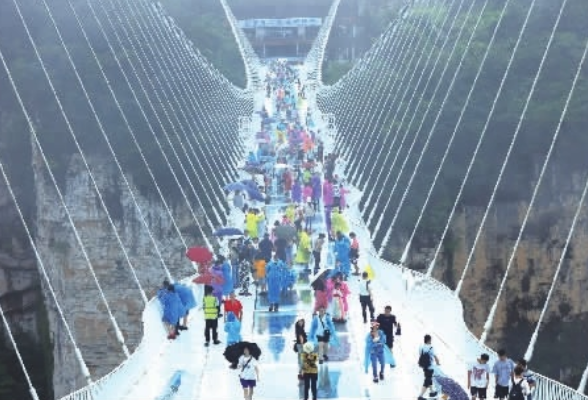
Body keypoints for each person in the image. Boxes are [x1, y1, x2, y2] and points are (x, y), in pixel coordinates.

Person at [418, 334, 440, 400]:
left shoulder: (421, 347)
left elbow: (420, 355)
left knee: (429, 378)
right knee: (427, 380)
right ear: (429, 340)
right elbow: (435, 356)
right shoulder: (431, 347)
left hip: (424, 366)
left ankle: (432, 392)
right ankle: (420, 396)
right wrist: (438, 362)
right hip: (430, 366)